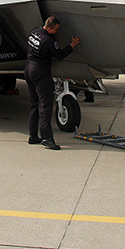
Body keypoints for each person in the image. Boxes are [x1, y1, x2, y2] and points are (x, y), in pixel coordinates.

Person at [25, 16, 80, 150]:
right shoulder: (48, 41)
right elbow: (59, 55)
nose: (57, 31)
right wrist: (72, 45)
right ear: (49, 28)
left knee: (34, 105)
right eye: (56, 29)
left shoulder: (34, 32)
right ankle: (47, 138)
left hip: (29, 70)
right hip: (41, 74)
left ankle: (33, 136)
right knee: (46, 106)